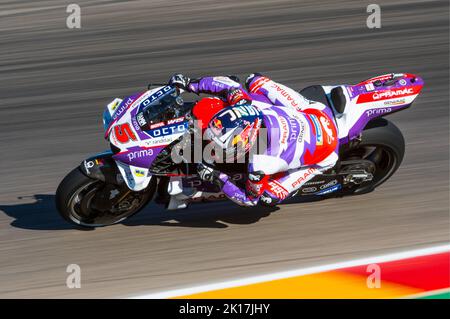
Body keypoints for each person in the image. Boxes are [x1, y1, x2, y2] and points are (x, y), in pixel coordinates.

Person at [168, 73, 339, 207]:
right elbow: (229, 84)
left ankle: (311, 174)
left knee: (267, 197)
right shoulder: (243, 104)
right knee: (254, 79)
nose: (211, 147)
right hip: (316, 112)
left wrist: (218, 176)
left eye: (218, 146)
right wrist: (189, 83)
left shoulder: (260, 165)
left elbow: (249, 200)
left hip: (326, 152)